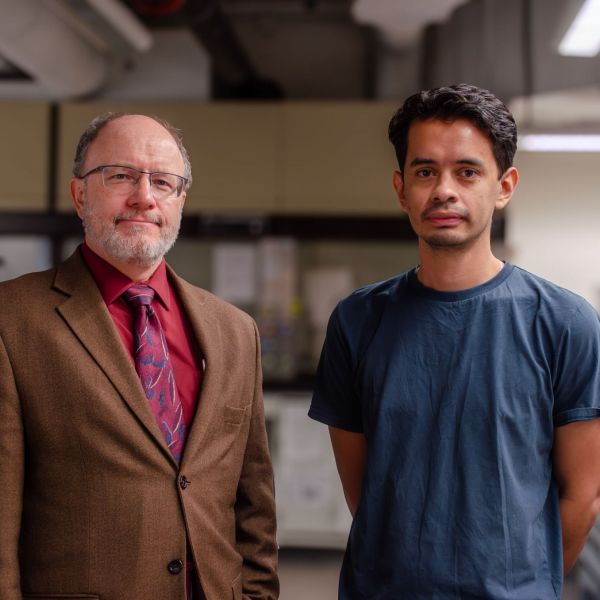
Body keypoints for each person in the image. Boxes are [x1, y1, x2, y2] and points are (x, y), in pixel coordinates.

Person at [308, 84, 600, 599]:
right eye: (425, 171)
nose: (444, 190)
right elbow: (365, 490)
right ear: (401, 188)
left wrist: (529, 585)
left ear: (504, 185)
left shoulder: (565, 322)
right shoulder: (358, 320)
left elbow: (582, 496)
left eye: (467, 172)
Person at [0, 113, 279, 599]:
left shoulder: (235, 332)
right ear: (80, 195)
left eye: (163, 182)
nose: (144, 197)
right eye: (121, 176)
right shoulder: (12, 320)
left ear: (180, 200)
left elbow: (253, 503)